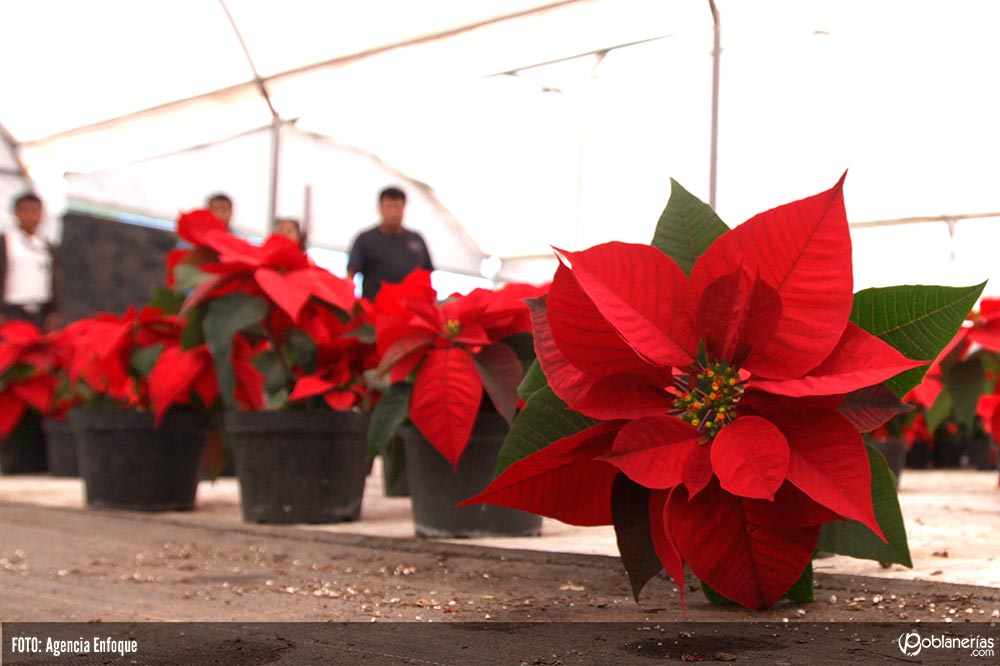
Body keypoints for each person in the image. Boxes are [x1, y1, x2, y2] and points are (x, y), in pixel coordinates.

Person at [348, 187, 434, 300]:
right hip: (374, 309)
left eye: (398, 207)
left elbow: (426, 275)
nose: (394, 212)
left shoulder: (417, 239)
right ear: (380, 209)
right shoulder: (365, 239)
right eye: (389, 207)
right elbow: (351, 275)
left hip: (410, 311)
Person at [0, 193, 59, 331]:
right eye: (27, 210)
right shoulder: (6, 241)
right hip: (11, 311)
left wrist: (53, 311)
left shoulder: (46, 246)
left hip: (39, 313)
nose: (32, 216)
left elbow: (53, 280)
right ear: (16, 212)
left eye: (37, 211)